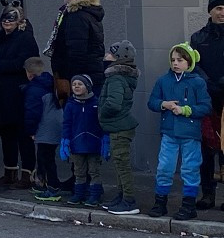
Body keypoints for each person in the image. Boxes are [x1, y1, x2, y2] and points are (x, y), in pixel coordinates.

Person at [147, 43, 212, 220]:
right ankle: (160, 203)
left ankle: (189, 206)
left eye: (180, 60)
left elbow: (206, 107)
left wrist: (186, 110)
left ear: (189, 62)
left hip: (190, 134)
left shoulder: (197, 82)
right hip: (169, 133)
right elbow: (152, 101)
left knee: (190, 169)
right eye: (173, 59)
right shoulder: (163, 80)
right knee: (164, 168)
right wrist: (163, 104)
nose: (175, 63)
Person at [0, 2, 40, 188]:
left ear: (19, 20)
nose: (7, 22)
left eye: (11, 18)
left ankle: (27, 174)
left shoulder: (26, 39)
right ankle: (9, 172)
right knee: (6, 134)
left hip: (19, 93)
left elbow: (24, 63)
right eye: (4, 18)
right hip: (0, 94)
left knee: (23, 136)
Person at [189, 0, 224, 211]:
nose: (223, 13)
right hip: (207, 99)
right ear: (210, 11)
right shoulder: (198, 38)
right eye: (219, 8)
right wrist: (207, 82)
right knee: (206, 149)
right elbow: (192, 63)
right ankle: (208, 194)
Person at [44, 0, 105, 102]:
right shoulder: (90, 13)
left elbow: (76, 51)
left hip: (80, 78)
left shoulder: (76, 16)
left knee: (78, 113)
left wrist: (73, 80)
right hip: (91, 73)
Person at [98, 41, 140, 215]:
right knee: (119, 163)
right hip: (120, 126)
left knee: (122, 164)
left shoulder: (115, 78)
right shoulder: (122, 77)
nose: (106, 56)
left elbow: (113, 104)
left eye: (110, 53)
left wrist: (102, 113)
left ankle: (129, 200)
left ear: (118, 58)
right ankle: (122, 195)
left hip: (119, 127)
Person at [60, 75, 107, 207]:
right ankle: (79, 194)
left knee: (94, 171)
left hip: (94, 144)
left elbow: (102, 123)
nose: (76, 86)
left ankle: (95, 195)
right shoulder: (70, 105)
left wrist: (105, 140)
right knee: (79, 171)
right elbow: (67, 124)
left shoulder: (96, 104)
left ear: (88, 87)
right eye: (74, 84)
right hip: (77, 144)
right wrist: (65, 141)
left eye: (80, 84)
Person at [22, 57, 63, 202]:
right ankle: (45, 184)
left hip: (44, 127)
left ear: (29, 73)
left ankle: (52, 188)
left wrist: (31, 131)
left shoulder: (34, 89)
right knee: (47, 156)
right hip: (56, 124)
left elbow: (32, 112)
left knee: (45, 158)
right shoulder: (51, 82)